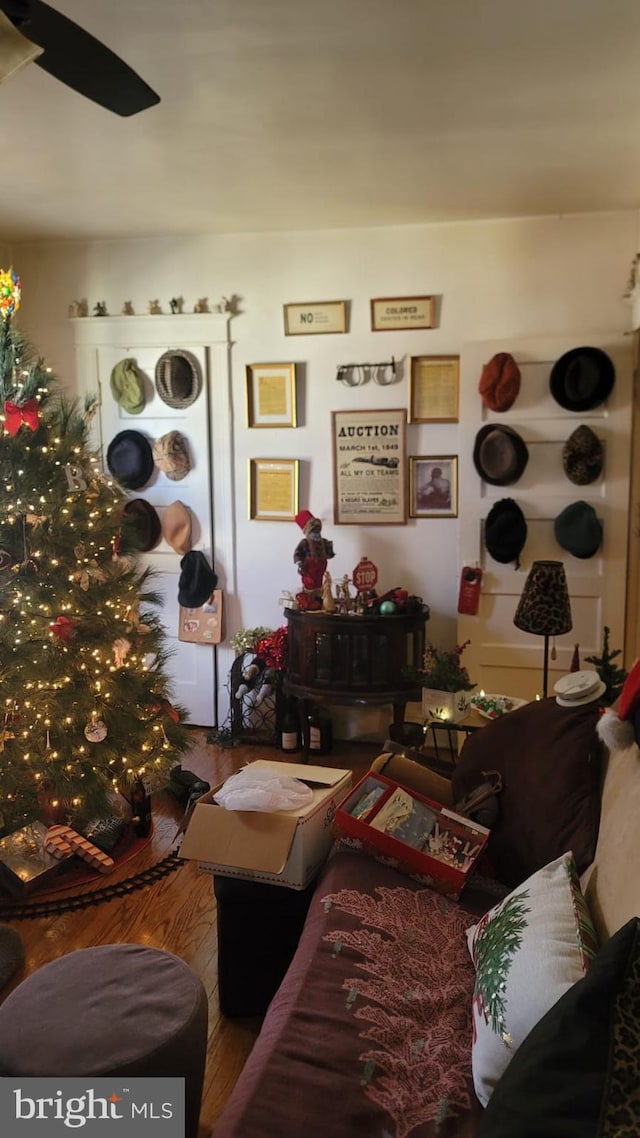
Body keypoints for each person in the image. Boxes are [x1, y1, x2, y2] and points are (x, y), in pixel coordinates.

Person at [293, 510, 335, 594]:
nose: (316, 532)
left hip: (320, 567)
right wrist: (300, 563)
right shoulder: (305, 543)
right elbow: (298, 553)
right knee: (310, 584)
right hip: (309, 569)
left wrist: (329, 551)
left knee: (319, 583)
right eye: (313, 530)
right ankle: (310, 599)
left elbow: (329, 553)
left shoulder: (323, 542)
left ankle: (318, 598)